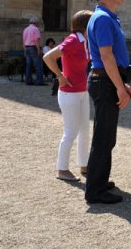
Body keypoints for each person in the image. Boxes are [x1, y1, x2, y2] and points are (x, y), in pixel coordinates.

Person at [85, 0, 131, 205]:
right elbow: (106, 56)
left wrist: (121, 84)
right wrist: (118, 87)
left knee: (106, 137)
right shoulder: (103, 18)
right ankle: (95, 191)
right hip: (104, 82)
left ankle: (100, 181)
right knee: (103, 138)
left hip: (107, 80)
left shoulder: (108, 17)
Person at [43, 10, 93, 182]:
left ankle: (84, 164)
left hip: (82, 91)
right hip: (69, 93)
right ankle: (62, 169)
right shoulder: (73, 40)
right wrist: (60, 76)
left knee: (85, 129)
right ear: (86, 25)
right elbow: (48, 57)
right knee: (71, 131)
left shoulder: (85, 41)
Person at [23, 17, 45, 86]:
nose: (38, 24)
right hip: (33, 47)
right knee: (38, 65)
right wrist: (39, 50)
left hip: (27, 47)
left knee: (28, 65)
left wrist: (24, 50)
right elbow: (36, 40)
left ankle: (28, 81)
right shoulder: (36, 29)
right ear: (36, 23)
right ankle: (39, 81)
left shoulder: (25, 29)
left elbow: (23, 41)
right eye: (38, 23)